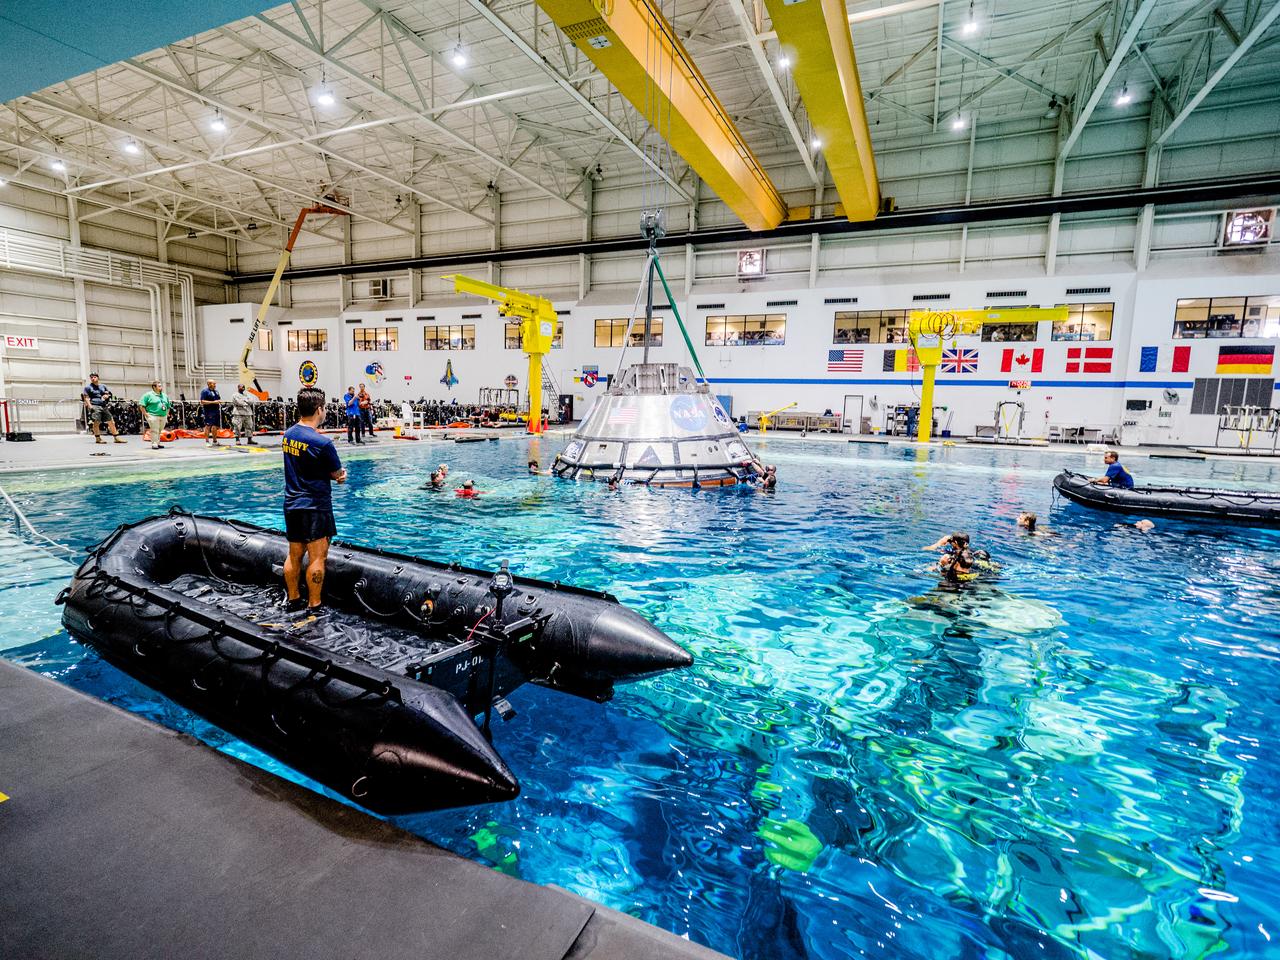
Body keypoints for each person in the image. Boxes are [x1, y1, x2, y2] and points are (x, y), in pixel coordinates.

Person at [282, 387, 346, 613]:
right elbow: (337, 473)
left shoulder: (288, 435)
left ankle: (293, 600)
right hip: (315, 506)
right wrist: (340, 477)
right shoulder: (323, 443)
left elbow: (302, 465)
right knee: (317, 558)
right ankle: (314, 604)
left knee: (294, 555)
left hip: (291, 503)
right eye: (325, 407)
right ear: (319, 409)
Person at [82, 373, 126, 444]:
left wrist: (106, 396)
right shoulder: (88, 387)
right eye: (91, 377)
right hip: (95, 405)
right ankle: (98, 438)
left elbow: (107, 393)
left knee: (111, 421)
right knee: (96, 422)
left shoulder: (103, 386)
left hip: (103, 405)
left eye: (95, 377)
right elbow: (86, 397)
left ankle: (116, 437)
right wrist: (90, 406)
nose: (93, 378)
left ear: (98, 378)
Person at [137, 380, 172, 450]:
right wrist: (145, 414)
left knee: (159, 430)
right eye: (159, 386)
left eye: (161, 386)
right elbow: (141, 405)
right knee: (154, 430)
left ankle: (158, 443)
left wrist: (167, 414)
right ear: (154, 387)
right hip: (153, 415)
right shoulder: (148, 395)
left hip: (163, 416)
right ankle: (154, 444)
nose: (161, 387)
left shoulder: (164, 395)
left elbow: (168, 406)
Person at [199, 379, 222, 446]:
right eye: (213, 384)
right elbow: (202, 401)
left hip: (216, 411)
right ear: (209, 384)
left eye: (215, 384)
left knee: (215, 426)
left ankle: (215, 441)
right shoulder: (205, 391)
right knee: (208, 426)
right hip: (209, 412)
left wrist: (218, 401)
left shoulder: (216, 391)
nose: (215, 385)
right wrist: (213, 402)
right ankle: (207, 441)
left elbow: (218, 399)